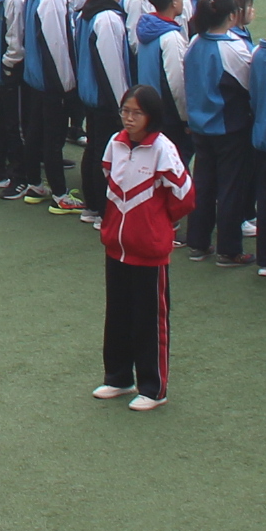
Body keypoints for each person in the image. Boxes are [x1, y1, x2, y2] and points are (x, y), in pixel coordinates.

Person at [94, 86, 189, 410]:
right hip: (116, 247)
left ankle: (153, 388)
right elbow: (109, 178)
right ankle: (118, 378)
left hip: (150, 251)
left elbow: (184, 197)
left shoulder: (163, 149)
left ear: (152, 116)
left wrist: (156, 224)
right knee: (117, 315)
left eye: (137, 113)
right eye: (125, 111)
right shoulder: (115, 143)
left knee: (149, 320)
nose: (129, 118)